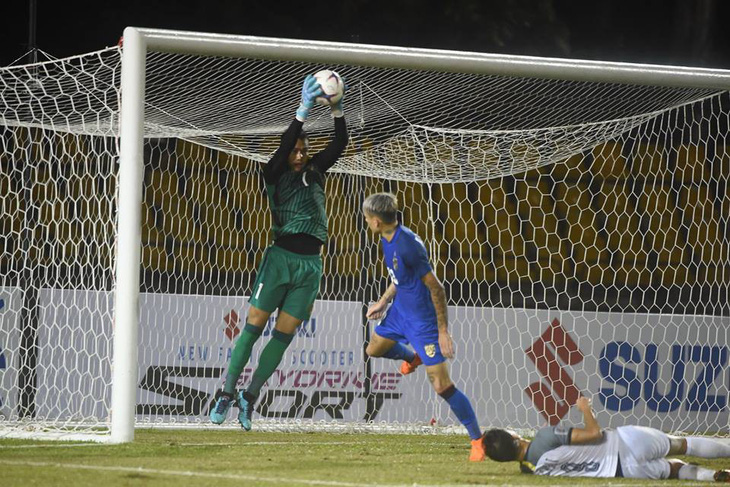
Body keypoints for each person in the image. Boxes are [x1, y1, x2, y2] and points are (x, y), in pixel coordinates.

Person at [209, 74, 348, 430]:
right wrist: (301, 112)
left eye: (303, 150)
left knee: (283, 337)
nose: (300, 155)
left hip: (310, 266)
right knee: (253, 328)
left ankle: (249, 396)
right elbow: (286, 140)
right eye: (295, 150)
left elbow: (340, 142)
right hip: (280, 259)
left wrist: (337, 109)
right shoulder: (273, 173)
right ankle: (225, 392)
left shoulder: (317, 171)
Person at [362, 192, 485, 462]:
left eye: (368, 218)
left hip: (422, 323)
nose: (368, 222)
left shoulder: (407, 245)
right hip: (399, 312)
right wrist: (383, 302)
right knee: (373, 349)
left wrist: (442, 331)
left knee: (441, 385)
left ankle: (477, 439)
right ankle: (412, 356)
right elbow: (400, 278)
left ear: (376, 221)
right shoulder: (387, 238)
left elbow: (437, 288)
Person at [483, 396, 730, 481]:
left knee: (675, 470)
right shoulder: (544, 438)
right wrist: (585, 408)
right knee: (682, 445)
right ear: (514, 437)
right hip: (625, 443)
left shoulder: (538, 470)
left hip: (625, 471)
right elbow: (594, 434)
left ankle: (711, 476)